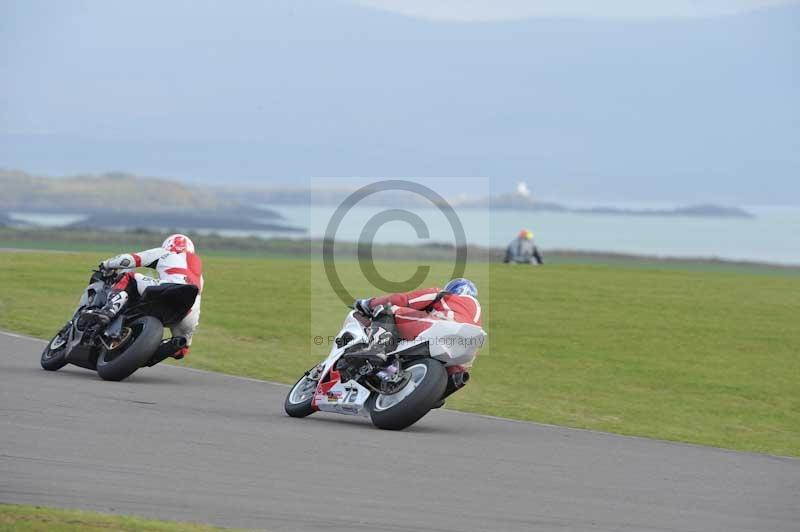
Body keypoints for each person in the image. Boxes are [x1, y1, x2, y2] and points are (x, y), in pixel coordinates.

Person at [82, 234, 203, 359]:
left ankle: (108, 311)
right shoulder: (199, 273)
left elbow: (130, 260)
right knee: (180, 350)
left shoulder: (165, 252)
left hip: (170, 289)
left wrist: (106, 264)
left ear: (169, 245)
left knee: (129, 278)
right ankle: (152, 352)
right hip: (189, 310)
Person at [351, 278, 483, 364]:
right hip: (467, 348)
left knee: (387, 310)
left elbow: (404, 300)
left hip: (443, 326)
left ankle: (377, 348)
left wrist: (368, 303)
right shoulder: (476, 313)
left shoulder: (444, 295)